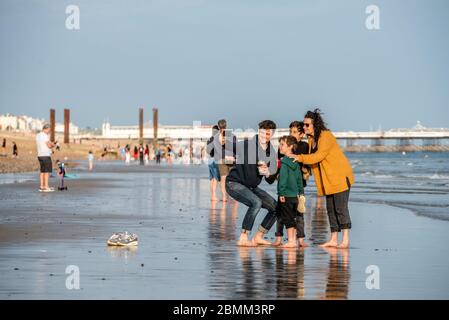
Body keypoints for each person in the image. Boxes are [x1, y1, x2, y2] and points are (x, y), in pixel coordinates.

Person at [292, 108, 354, 249]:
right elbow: (310, 159)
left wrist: (299, 157)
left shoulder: (326, 136)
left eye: (307, 125)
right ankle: (333, 239)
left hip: (339, 177)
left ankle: (345, 240)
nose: (305, 127)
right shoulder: (311, 139)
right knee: (330, 209)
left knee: (340, 208)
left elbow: (318, 156)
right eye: (304, 125)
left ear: (315, 125)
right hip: (327, 180)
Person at [225, 120, 278, 246]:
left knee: (276, 208)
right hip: (234, 183)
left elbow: (270, 180)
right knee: (256, 202)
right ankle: (243, 237)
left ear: (272, 134)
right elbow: (228, 147)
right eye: (263, 133)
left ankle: (258, 236)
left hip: (251, 187)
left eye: (268, 134)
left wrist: (268, 173)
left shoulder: (271, 153)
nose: (265, 136)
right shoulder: (247, 144)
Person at [273, 121, 310, 247]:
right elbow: (280, 163)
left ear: (301, 134)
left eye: (295, 132)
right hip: (290, 187)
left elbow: (307, 162)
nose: (292, 134)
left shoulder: (304, 147)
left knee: (294, 214)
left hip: (291, 188)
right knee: (283, 213)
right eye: (291, 132)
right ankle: (281, 237)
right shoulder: (287, 153)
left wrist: (282, 192)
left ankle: (296, 239)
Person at [214, 119, 237, 202]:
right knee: (232, 178)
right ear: (226, 125)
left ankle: (224, 197)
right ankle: (233, 196)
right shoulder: (231, 135)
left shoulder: (216, 137)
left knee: (223, 178)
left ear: (218, 126)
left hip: (222, 159)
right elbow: (235, 147)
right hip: (229, 159)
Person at [36, 124, 55, 192]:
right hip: (46, 155)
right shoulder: (45, 135)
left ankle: (41, 186)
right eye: (49, 130)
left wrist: (51, 144)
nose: (49, 132)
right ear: (45, 129)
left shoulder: (38, 135)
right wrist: (53, 145)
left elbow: (44, 144)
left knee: (42, 171)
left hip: (40, 155)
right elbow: (49, 145)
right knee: (46, 172)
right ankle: (46, 186)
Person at [206, 125, 221, 202]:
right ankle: (214, 196)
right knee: (215, 179)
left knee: (211, 179)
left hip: (210, 160)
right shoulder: (217, 139)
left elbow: (207, 151)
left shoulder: (209, 139)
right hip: (215, 160)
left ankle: (212, 196)